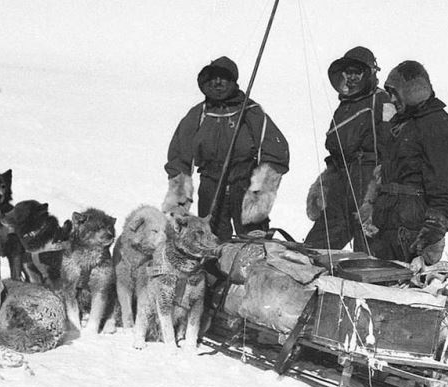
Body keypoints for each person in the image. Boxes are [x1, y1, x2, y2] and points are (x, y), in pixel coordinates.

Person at [164, 56, 289, 241]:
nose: (218, 82)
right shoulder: (199, 114)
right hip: (210, 185)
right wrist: (179, 201)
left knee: (251, 242)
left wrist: (260, 194)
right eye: (213, 78)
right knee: (210, 242)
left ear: (232, 81)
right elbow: (180, 155)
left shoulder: (250, 111)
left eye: (223, 77)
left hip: (244, 183)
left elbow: (275, 151)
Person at [362, 60, 448, 264]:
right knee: (382, 291)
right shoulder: (402, 124)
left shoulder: (436, 124)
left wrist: (435, 225)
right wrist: (371, 204)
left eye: (395, 93)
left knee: (410, 293)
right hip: (388, 225)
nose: (392, 99)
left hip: (413, 229)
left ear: (412, 91)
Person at [304, 46, 394, 252]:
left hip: (368, 179)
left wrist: (379, 185)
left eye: (358, 72)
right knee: (317, 245)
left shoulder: (383, 100)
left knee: (367, 248)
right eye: (348, 72)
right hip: (340, 180)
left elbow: (391, 144)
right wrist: (325, 181)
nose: (352, 78)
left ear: (370, 73)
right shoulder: (345, 105)